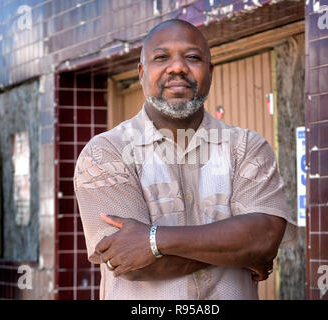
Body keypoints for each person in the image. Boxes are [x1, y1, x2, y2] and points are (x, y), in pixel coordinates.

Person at [74, 19, 296, 300]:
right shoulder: (106, 153)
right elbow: (128, 261)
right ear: (141, 73)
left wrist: (152, 240)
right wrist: (239, 251)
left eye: (192, 57)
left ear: (210, 72)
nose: (178, 67)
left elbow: (265, 238)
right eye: (161, 57)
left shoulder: (247, 148)